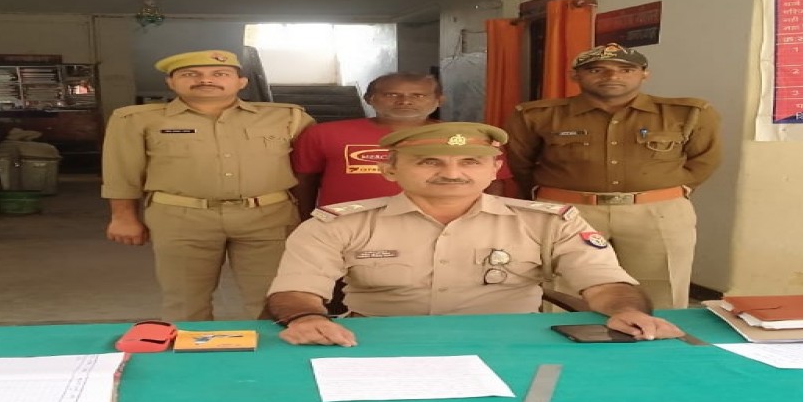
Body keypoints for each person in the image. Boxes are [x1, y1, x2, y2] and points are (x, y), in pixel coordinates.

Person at [265, 121, 686, 346]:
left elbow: (605, 282)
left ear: (494, 169)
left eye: (470, 162)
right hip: (378, 341)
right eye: (429, 162)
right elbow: (296, 291)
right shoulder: (338, 223)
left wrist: (626, 310)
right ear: (390, 170)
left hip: (514, 343)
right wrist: (306, 318)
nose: (452, 173)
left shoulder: (550, 221)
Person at [102, 50, 315, 322]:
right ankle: (191, 349)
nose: (206, 80)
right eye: (190, 74)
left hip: (268, 217)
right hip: (182, 218)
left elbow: (310, 167)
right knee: (185, 301)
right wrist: (123, 217)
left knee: (274, 297)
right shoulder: (135, 120)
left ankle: (269, 349)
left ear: (241, 82)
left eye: (220, 74)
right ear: (170, 82)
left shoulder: (287, 117)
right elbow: (122, 170)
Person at [504, 43, 722, 309]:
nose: (612, 76)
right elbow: (520, 163)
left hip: (657, 212)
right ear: (575, 76)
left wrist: (663, 192)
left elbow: (704, 161)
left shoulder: (686, 114)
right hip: (569, 211)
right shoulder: (538, 115)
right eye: (596, 70)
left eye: (625, 70)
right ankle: (565, 337)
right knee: (564, 289)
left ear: (645, 74)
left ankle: (658, 335)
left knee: (662, 290)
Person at [291, 72, 508, 218]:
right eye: (392, 94)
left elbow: (494, 181)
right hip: (345, 224)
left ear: (439, 100)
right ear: (369, 98)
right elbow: (304, 181)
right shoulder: (323, 134)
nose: (405, 101)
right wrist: (307, 219)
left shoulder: (467, 137)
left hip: (441, 224)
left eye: (418, 95)